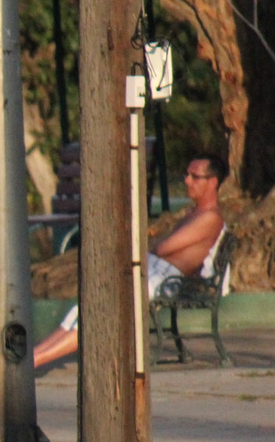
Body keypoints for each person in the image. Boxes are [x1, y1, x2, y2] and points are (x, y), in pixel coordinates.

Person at [32, 153, 227, 369]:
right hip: (153, 269)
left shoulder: (210, 217)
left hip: (163, 279)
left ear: (213, 182)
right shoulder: (194, 213)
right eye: (187, 175)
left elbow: (163, 247)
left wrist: (158, 243)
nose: (187, 181)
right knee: (87, 305)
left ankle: (36, 361)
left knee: (98, 316)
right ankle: (34, 356)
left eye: (194, 176)